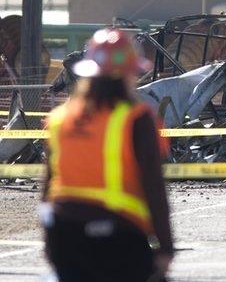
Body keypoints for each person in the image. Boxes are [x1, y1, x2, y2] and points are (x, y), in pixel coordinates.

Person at [41, 28, 174, 282]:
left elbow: (48, 187)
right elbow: (153, 186)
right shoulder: (137, 119)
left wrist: (50, 242)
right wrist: (166, 247)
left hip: (64, 234)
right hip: (118, 236)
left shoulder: (60, 119)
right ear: (129, 74)